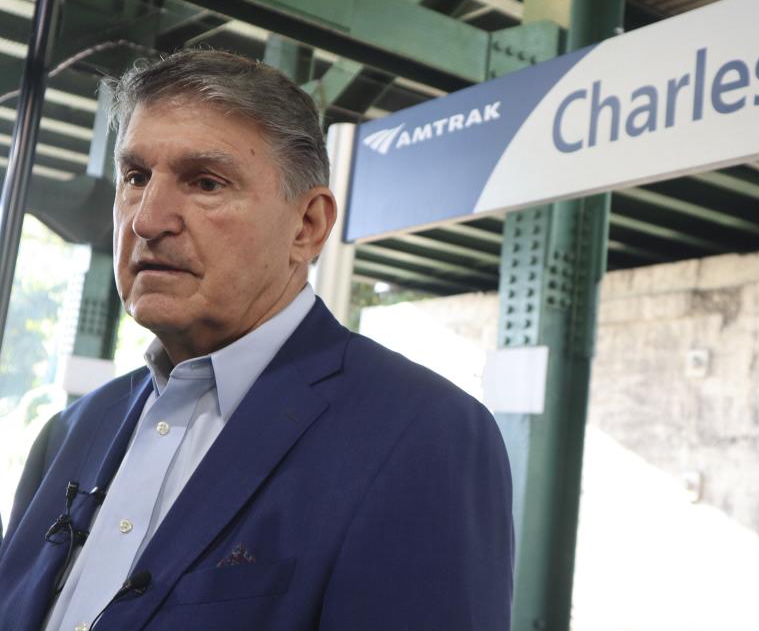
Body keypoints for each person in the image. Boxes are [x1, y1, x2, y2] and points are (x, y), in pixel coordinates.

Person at [0, 49, 514, 631]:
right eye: (136, 177)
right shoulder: (71, 432)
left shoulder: (421, 434)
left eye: (205, 182)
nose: (147, 219)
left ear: (307, 226)